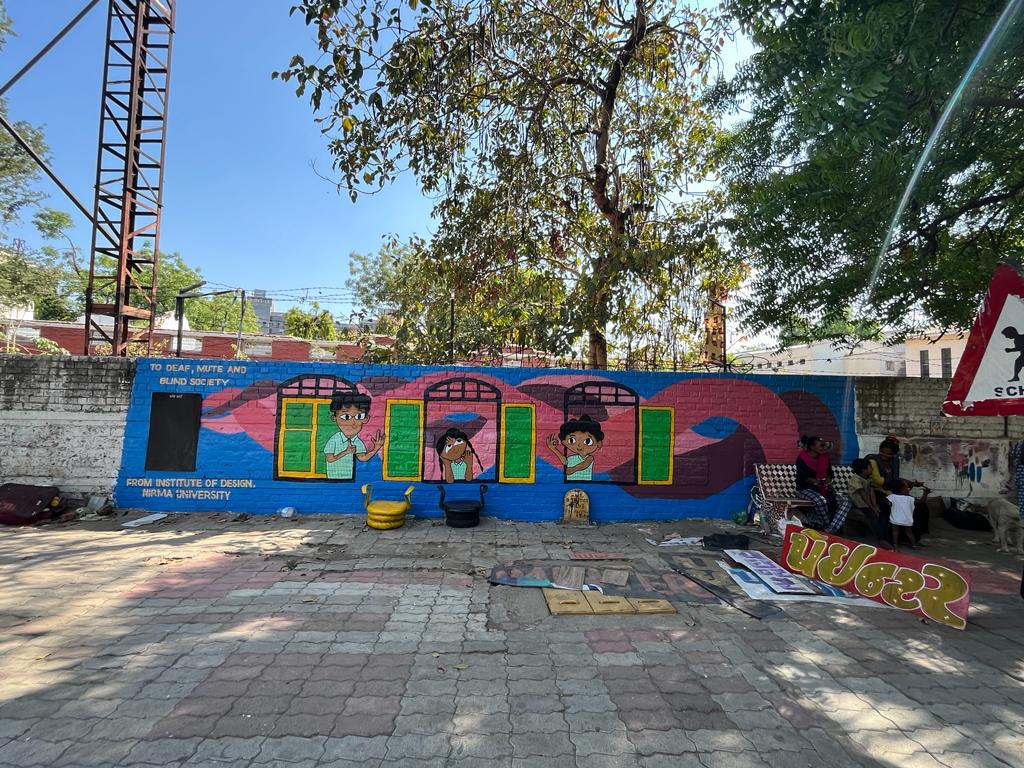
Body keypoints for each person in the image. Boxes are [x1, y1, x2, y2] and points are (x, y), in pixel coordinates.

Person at [866, 437, 929, 541]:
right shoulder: (872, 460)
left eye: (888, 454)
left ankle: (914, 537)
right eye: (882, 452)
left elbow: (894, 478)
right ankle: (892, 538)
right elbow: (878, 481)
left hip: (892, 490)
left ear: (894, 454)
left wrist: (911, 483)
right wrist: (901, 483)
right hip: (877, 491)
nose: (884, 455)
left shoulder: (895, 461)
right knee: (891, 508)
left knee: (920, 507)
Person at [323, 391, 384, 481]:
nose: (353, 423)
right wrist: (346, 452)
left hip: (349, 479)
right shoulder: (335, 439)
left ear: (365, 419)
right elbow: (330, 459)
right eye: (346, 417)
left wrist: (376, 447)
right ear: (334, 418)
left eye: (359, 416)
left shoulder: (357, 442)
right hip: (334, 480)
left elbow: (363, 458)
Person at [795, 435, 850, 533]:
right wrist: (819, 482)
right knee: (820, 501)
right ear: (812, 447)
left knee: (846, 501)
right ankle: (826, 526)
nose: (824, 447)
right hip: (805, 489)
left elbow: (830, 473)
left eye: (824, 445)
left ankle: (830, 529)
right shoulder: (802, 458)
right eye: (821, 445)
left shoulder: (825, 458)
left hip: (824, 489)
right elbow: (804, 478)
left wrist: (829, 479)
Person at [847, 458, 892, 548]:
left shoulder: (869, 479)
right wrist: (872, 507)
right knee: (873, 517)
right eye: (870, 467)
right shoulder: (856, 479)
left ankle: (887, 539)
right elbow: (863, 494)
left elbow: (871, 492)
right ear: (864, 469)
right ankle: (881, 540)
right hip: (859, 503)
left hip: (867, 503)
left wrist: (875, 506)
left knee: (881, 515)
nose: (872, 469)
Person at [546, 415, 604, 481]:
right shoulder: (571, 458)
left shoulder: (589, 458)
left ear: (599, 443)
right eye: (572, 440)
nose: (579, 445)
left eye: (588, 441)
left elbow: (584, 464)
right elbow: (564, 461)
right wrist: (553, 449)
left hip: (585, 484)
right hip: (570, 484)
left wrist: (572, 469)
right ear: (564, 442)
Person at [887, 479, 924, 550]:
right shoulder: (910, 498)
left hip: (895, 519)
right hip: (907, 520)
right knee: (909, 533)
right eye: (907, 488)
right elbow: (921, 501)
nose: (909, 489)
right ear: (902, 489)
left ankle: (895, 545)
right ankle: (914, 545)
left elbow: (887, 503)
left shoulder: (892, 496)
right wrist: (925, 493)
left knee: (895, 532)